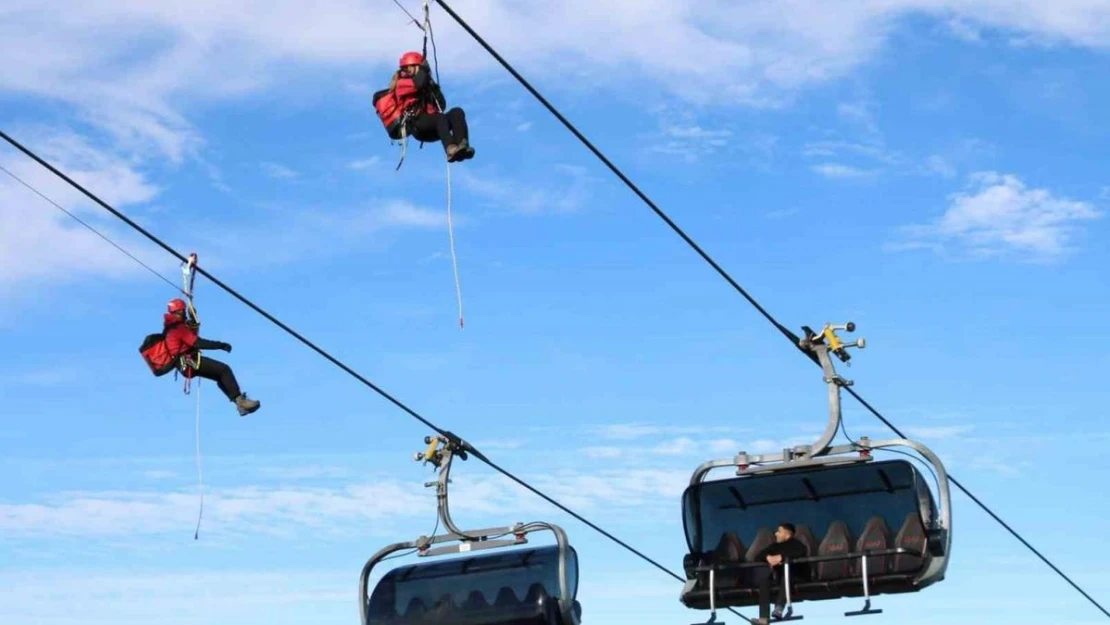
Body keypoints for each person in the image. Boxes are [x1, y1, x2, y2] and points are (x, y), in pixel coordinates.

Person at [140, 298, 261, 416]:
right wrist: (220, 345)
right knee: (224, 370)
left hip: (183, 366)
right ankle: (241, 402)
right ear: (179, 311)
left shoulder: (169, 328)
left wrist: (193, 318)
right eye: (184, 311)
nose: (185, 315)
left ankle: (239, 404)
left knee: (220, 375)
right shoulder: (179, 328)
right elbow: (197, 342)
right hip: (190, 362)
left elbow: (189, 335)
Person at [373, 51, 475, 162]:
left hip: (435, 126)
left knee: (457, 112)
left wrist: (433, 88)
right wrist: (424, 70)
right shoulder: (402, 84)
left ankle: (461, 145)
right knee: (440, 117)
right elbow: (418, 84)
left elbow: (441, 105)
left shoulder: (425, 84)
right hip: (418, 125)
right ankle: (451, 149)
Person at [749, 523, 808, 624]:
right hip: (779, 579)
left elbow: (801, 551)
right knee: (765, 581)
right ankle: (764, 617)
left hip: (796, 578)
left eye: (779, 532)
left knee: (787, 576)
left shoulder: (796, 544)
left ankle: (779, 608)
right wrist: (768, 557)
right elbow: (758, 556)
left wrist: (781, 557)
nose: (776, 534)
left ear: (787, 535)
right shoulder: (775, 546)